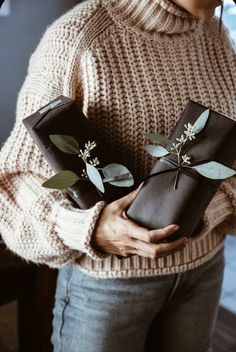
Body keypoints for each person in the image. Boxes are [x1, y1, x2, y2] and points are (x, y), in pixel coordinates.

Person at [0, 0, 235, 351]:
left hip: (203, 274)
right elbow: (16, 183)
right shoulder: (79, 39)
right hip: (108, 289)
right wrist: (88, 228)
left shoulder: (216, 35)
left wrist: (207, 210)